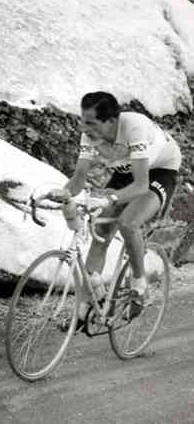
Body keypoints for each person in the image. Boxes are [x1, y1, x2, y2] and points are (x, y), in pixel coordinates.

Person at [49, 91, 182, 325]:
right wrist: (65, 192)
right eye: (82, 120)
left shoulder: (134, 128)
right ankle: (88, 303)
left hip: (158, 171)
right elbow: (79, 178)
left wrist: (109, 200)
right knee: (100, 231)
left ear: (111, 121)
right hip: (125, 172)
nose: (83, 127)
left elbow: (141, 185)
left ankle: (139, 284)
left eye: (90, 122)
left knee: (128, 223)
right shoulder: (90, 136)